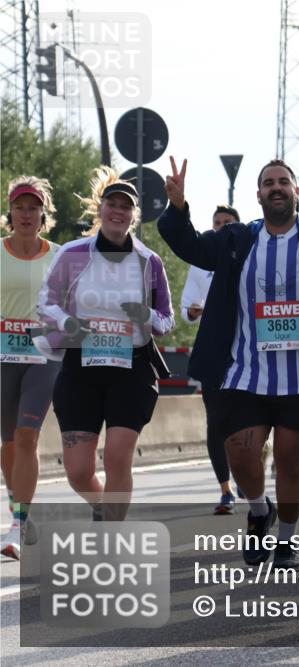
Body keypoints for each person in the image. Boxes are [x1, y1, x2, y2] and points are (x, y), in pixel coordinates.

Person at [158, 147, 299, 569]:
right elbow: (188, 245)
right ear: (258, 195)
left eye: (282, 182)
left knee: (290, 460)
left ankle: (286, 540)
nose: (276, 188)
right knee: (241, 453)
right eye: (267, 183)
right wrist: (178, 206)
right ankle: (260, 510)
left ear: (297, 191)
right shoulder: (237, 239)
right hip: (246, 372)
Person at [35, 169, 174, 522]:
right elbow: (45, 303)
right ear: (100, 210)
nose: (119, 212)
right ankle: (102, 506)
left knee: (117, 457)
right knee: (78, 471)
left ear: (134, 215)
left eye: (126, 207)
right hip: (81, 368)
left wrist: (146, 315)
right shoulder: (72, 254)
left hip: (132, 369)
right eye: (113, 204)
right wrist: (68, 323)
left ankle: (113, 535)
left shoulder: (149, 261)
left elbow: (167, 320)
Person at [0, 177, 62, 559]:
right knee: (8, 443)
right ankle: (18, 502)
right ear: (10, 213)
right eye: (20, 208)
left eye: (33, 208)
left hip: (44, 356)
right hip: (3, 357)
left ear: (43, 215)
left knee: (26, 437)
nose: (26, 214)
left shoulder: (60, 256)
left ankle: (17, 526)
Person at [179, 205, 241, 515]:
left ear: (238, 226)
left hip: (246, 349)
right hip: (213, 350)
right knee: (216, 422)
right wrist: (192, 311)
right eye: (217, 222)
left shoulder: (249, 255)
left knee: (246, 421)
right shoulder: (201, 261)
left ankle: (249, 470)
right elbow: (186, 307)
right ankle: (226, 490)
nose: (221, 227)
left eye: (228, 222)